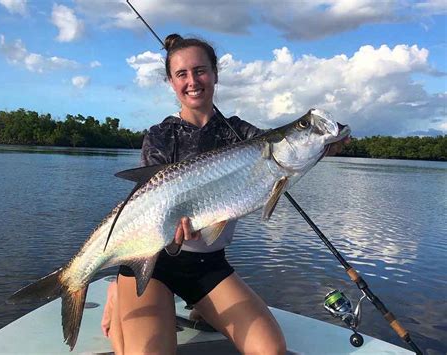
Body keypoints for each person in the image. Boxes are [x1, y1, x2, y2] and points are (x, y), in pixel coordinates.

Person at [103, 33, 346, 355]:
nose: (193, 81)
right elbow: (146, 206)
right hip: (155, 261)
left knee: (270, 350)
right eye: (182, 74)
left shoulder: (241, 134)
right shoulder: (160, 136)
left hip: (208, 265)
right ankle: (120, 289)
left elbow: (295, 148)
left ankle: (197, 304)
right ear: (171, 82)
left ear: (215, 74)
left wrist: (330, 139)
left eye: (200, 70)